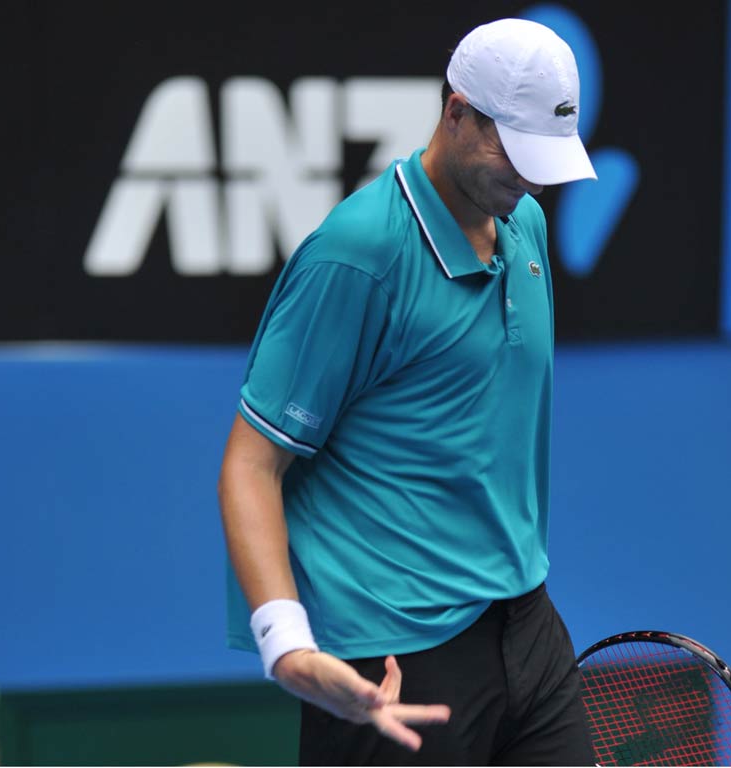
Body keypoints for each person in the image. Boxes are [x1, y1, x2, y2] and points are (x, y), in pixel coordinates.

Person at [218, 17, 597, 766]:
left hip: (525, 622)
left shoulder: (523, 224)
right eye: (513, 151)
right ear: (455, 111)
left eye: (545, 157)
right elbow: (249, 466)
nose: (531, 179)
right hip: (394, 658)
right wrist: (286, 643)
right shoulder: (358, 255)